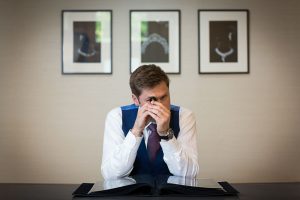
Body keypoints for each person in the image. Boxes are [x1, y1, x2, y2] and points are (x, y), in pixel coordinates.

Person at [101, 64, 199, 179]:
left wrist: (166, 134)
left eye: (164, 97)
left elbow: (190, 174)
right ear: (135, 100)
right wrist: (136, 131)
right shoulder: (117, 116)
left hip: (172, 195)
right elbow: (111, 175)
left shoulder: (184, 116)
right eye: (151, 99)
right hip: (131, 195)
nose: (160, 105)